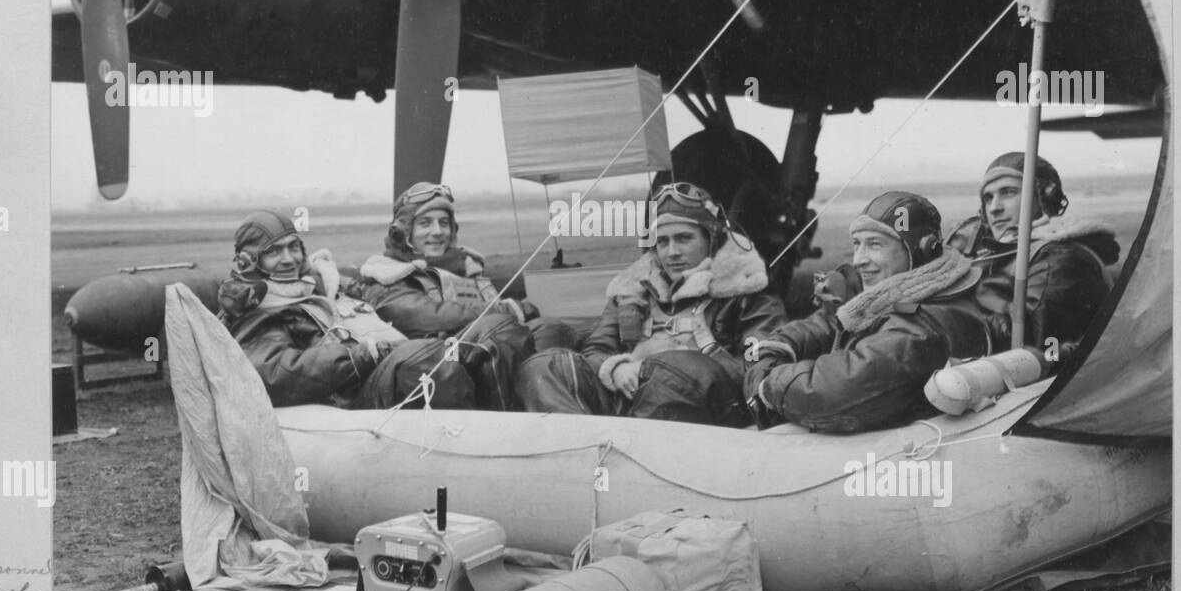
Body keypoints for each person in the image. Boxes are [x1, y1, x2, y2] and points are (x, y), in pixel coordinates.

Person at [515, 183, 786, 427]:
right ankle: (580, 454)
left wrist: (702, 353)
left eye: (684, 238)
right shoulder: (632, 289)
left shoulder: (746, 293)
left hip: (707, 411)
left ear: (711, 239)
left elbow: (762, 371)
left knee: (673, 371)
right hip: (626, 396)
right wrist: (617, 368)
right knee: (545, 366)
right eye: (662, 242)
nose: (672, 252)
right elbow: (596, 350)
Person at [743, 191, 995, 433]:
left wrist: (768, 383)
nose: (858, 260)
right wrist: (773, 350)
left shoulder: (927, 324)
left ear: (922, 250)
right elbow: (829, 324)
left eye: (875, 244)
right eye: (857, 245)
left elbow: (833, 390)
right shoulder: (888, 296)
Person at [217, 210, 473, 409]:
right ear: (248, 261)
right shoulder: (257, 310)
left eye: (293, 247)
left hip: (385, 369)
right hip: (353, 398)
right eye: (273, 252)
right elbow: (274, 372)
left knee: (486, 337)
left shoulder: (323, 288)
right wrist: (364, 355)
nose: (288, 259)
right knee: (425, 360)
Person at [342, 183, 566, 411]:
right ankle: (504, 418)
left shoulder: (465, 269)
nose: (438, 232)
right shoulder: (385, 276)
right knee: (499, 327)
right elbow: (425, 315)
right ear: (402, 233)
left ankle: (549, 415)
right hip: (421, 374)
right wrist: (504, 310)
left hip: (470, 362)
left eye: (444, 222)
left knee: (550, 328)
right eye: (425, 223)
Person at [946, 152, 1120, 352]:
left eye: (1009, 192)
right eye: (988, 198)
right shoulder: (998, 253)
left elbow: (1031, 342)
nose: (994, 208)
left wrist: (948, 321)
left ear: (1044, 198)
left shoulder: (1061, 260)